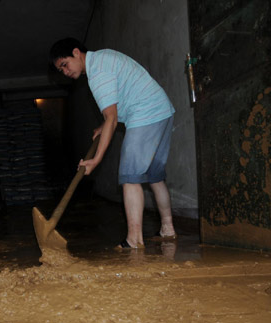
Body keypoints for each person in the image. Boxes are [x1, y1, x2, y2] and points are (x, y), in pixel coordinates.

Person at [49, 37, 177, 249]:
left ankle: (134, 240)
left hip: (145, 115)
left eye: (64, 64)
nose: (64, 72)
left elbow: (112, 117)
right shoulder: (103, 58)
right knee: (154, 177)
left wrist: (96, 160)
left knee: (129, 178)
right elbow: (117, 106)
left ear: (76, 52)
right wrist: (104, 125)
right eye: (60, 69)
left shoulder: (97, 74)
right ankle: (168, 228)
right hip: (161, 111)